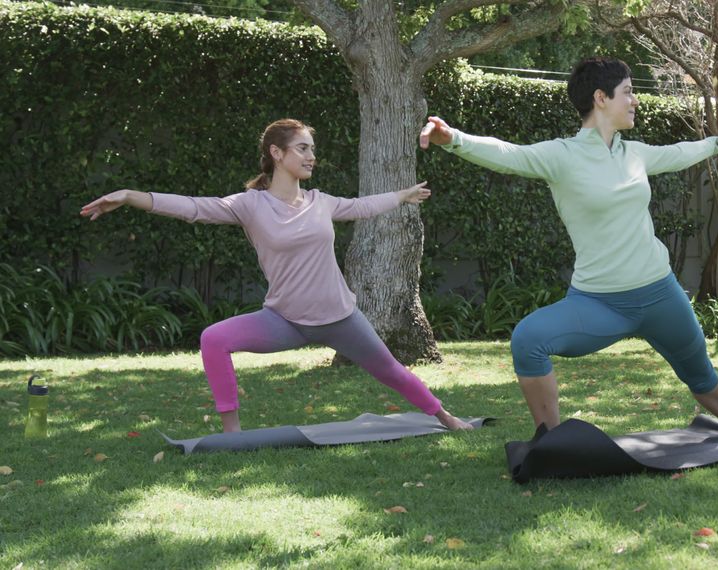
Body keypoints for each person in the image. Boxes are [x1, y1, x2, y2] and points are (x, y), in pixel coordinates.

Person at [420, 57, 718, 443]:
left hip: (660, 293)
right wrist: (452, 138)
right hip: (600, 303)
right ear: (601, 98)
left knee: (699, 372)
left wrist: (717, 143)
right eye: (629, 92)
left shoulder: (635, 154)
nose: (635, 101)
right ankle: (552, 442)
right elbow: (509, 155)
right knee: (528, 339)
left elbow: (677, 153)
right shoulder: (562, 156)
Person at [82, 118, 473, 433]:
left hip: (340, 318)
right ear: (276, 152)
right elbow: (193, 207)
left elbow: (361, 206)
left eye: (312, 150)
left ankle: (446, 418)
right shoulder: (250, 206)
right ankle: (232, 435)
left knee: (391, 371)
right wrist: (131, 196)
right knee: (213, 338)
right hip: (285, 320)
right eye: (303, 148)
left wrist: (401, 196)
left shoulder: (322, 202)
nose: (311, 156)